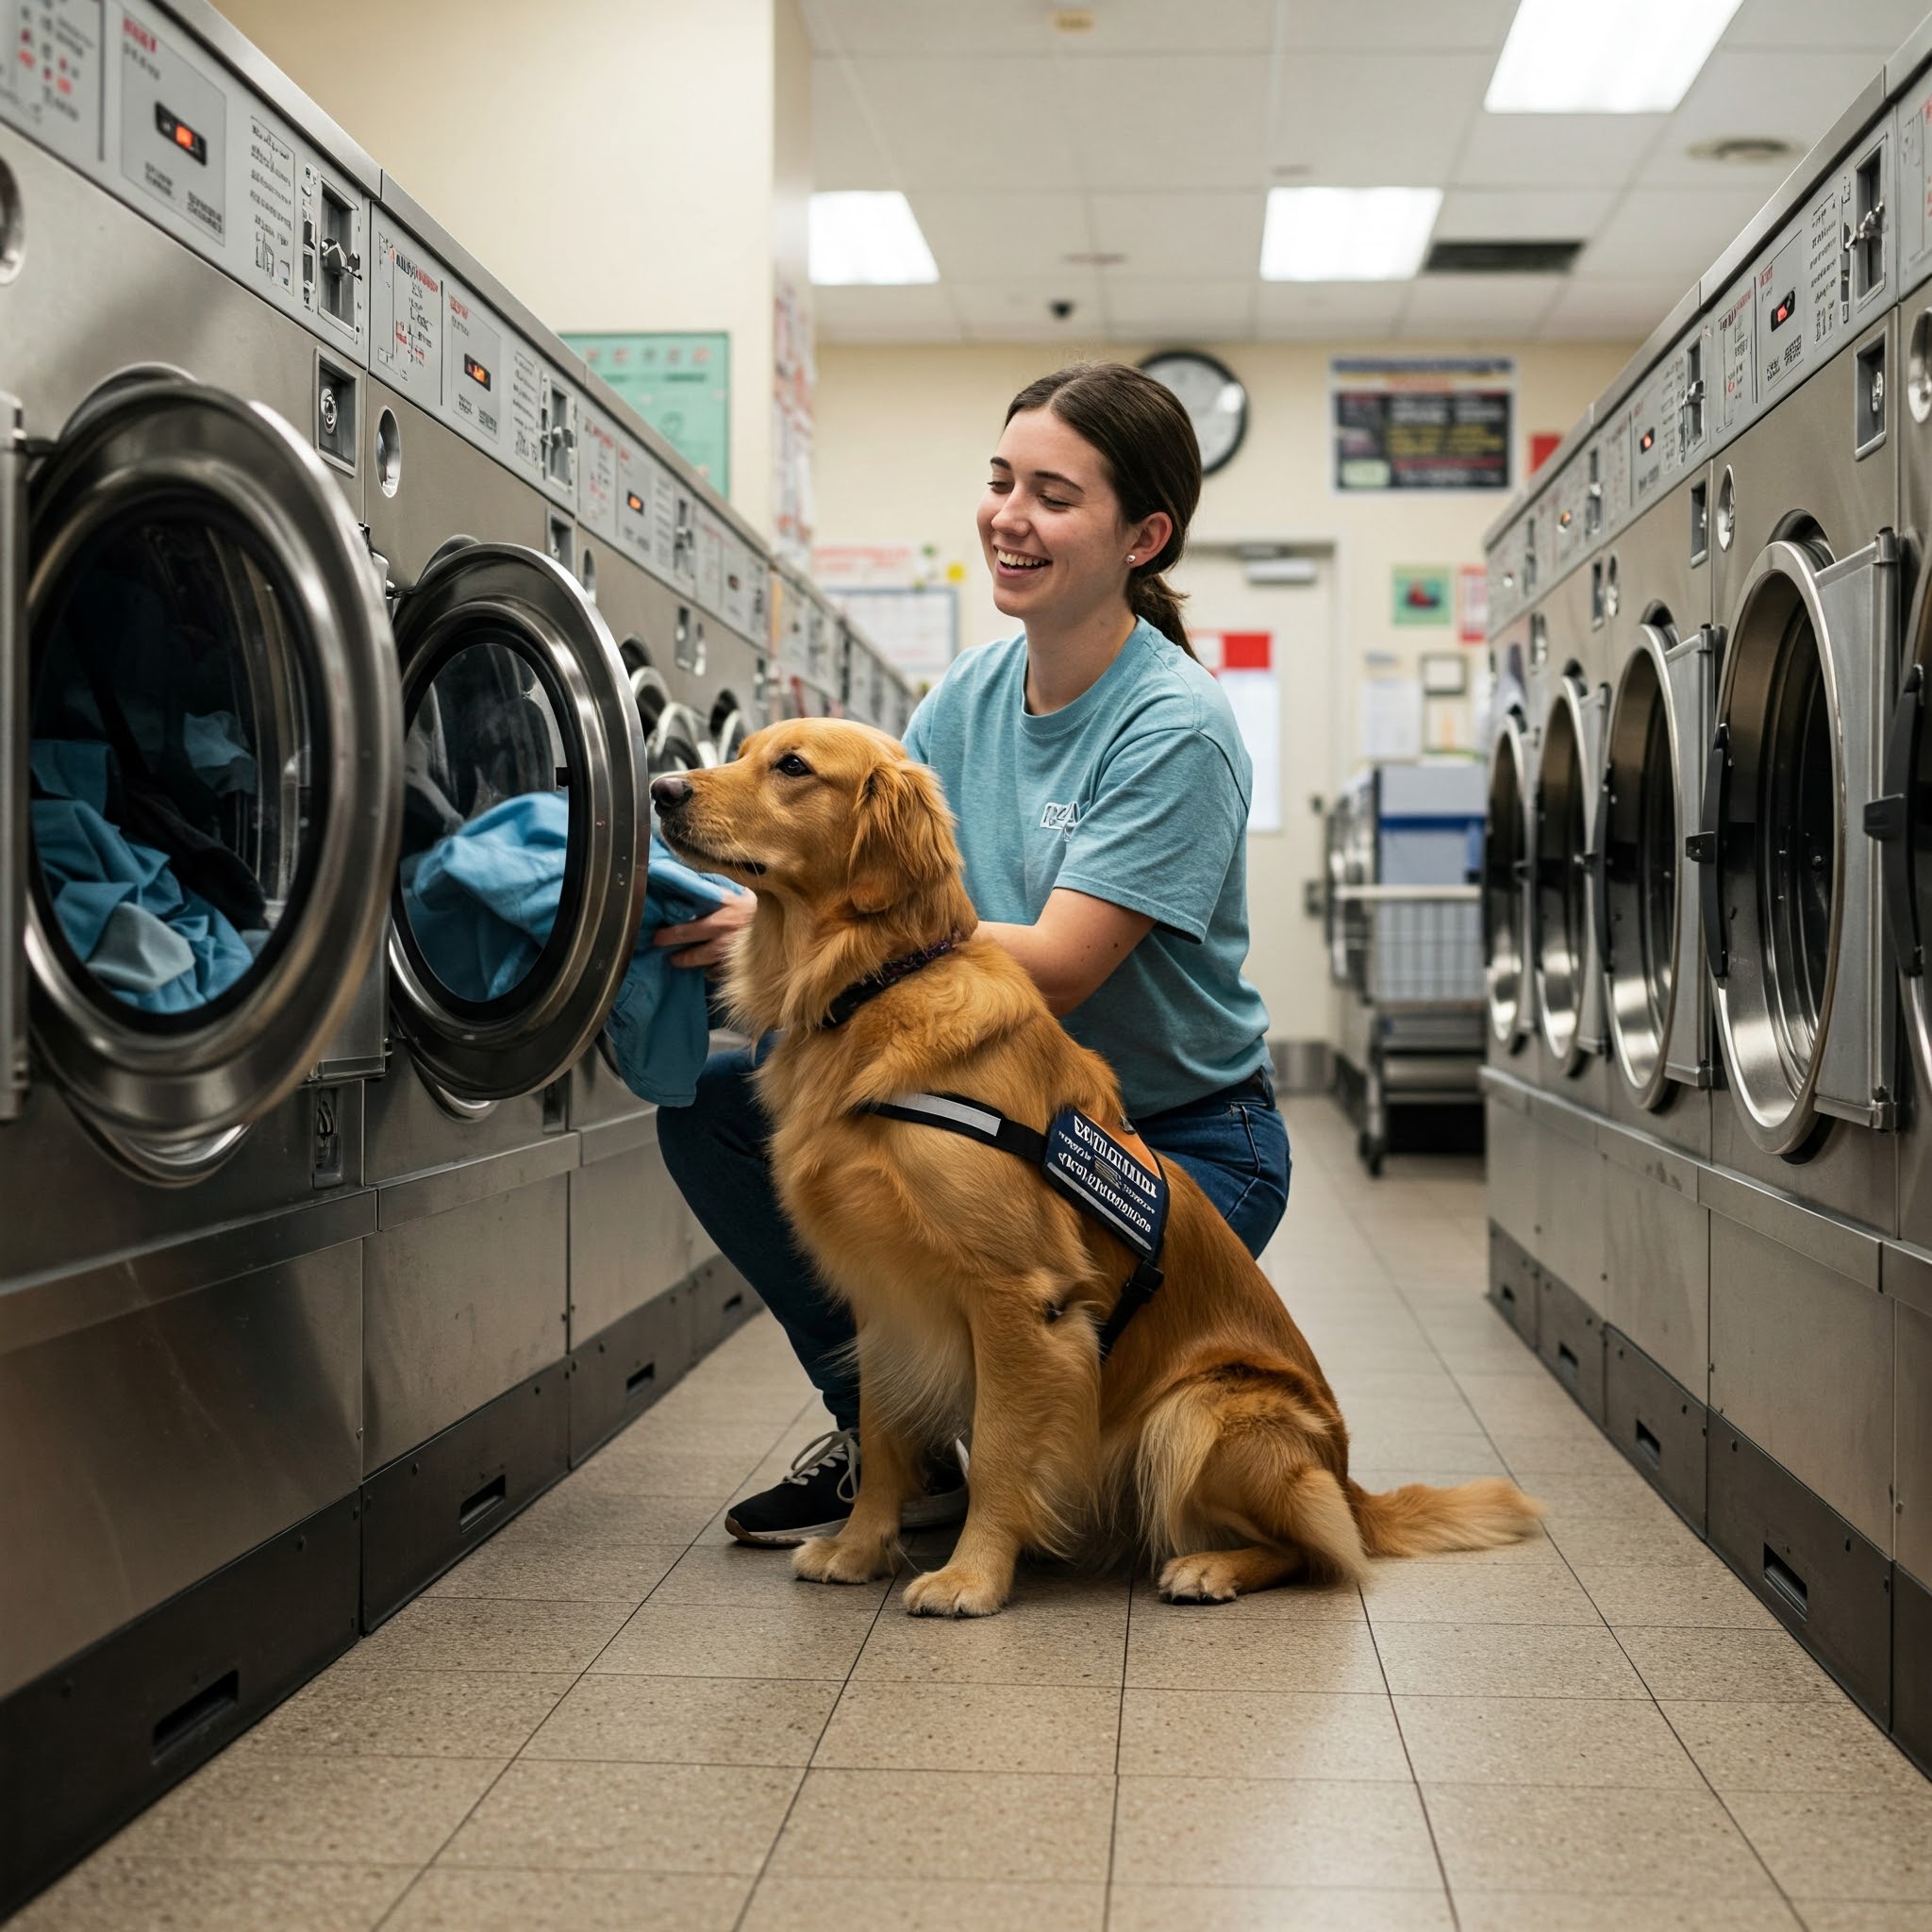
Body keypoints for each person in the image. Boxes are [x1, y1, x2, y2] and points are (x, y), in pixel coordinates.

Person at [655, 360, 1289, 1545]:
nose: (1009, 516)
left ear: (1142, 536)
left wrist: (810, 925)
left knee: (1025, 1291)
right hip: (969, 1099)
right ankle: (892, 1444)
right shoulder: (966, 693)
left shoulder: (1174, 725)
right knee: (715, 1106)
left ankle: (1029, 1475)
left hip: (1165, 1129)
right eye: (1000, 481)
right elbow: (856, 870)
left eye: (1054, 494)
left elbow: (1057, 963)